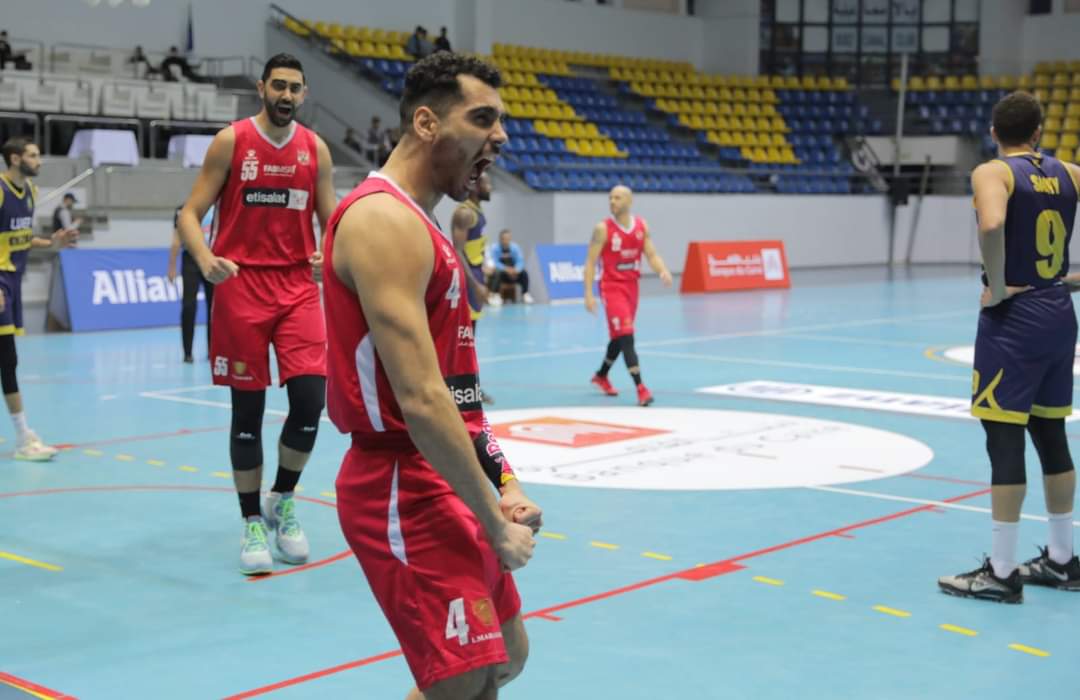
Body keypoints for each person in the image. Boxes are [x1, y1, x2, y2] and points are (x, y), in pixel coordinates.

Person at [323, 52, 542, 699]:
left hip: (446, 472)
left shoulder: (426, 225)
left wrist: (505, 482)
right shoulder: (382, 221)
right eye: (483, 119)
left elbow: (460, 399)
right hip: (400, 482)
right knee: (466, 678)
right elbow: (421, 399)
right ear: (426, 123)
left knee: (506, 658)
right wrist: (493, 523)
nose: (500, 136)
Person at [176, 54, 337, 576]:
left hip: (297, 289)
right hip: (240, 287)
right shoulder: (232, 141)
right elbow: (189, 213)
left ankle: (282, 498)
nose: (286, 95)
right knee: (246, 413)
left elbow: (332, 221)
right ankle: (250, 521)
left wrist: (330, 252)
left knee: (310, 403)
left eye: (295, 87)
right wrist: (205, 259)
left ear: (304, 94)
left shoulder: (316, 149)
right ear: (262, 87)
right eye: (278, 86)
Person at [938, 91, 1080, 603]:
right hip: (1059, 314)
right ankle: (1062, 561)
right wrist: (1068, 279)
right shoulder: (1070, 172)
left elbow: (993, 224)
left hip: (1015, 320)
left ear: (994, 132)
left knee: (1003, 439)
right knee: (1051, 433)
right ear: (1039, 131)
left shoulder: (993, 172)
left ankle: (1001, 572)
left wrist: (997, 288)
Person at [0, 138, 77, 460]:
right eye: (32, 155)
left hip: (13, 282)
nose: (39, 161)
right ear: (15, 159)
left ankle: (23, 435)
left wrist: (52, 242)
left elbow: (21, 237)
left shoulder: (30, 192)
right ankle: (23, 438)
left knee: (7, 360)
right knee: (7, 359)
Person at [583, 185, 671, 407]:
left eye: (618, 198)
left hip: (632, 287)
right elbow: (590, 262)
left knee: (619, 336)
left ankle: (601, 376)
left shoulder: (641, 226)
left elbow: (651, 253)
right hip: (612, 288)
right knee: (627, 335)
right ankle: (641, 388)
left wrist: (662, 270)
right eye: (610, 198)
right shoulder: (603, 229)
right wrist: (588, 294)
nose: (612, 201)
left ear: (629, 201)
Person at [452, 171, 498, 402]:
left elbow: (474, 250)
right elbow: (458, 252)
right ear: (474, 186)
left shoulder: (477, 212)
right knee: (463, 340)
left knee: (469, 339)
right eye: (486, 184)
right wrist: (475, 285)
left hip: (476, 276)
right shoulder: (464, 213)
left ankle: (470, 388)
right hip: (467, 282)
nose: (490, 188)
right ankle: (464, 390)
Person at [167, 203, 215, 363]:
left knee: (213, 308)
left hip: (212, 259)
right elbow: (176, 239)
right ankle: (187, 352)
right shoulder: (183, 210)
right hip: (190, 260)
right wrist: (172, 267)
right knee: (188, 306)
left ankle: (212, 350)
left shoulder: (216, 209)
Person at [486, 229, 531, 303]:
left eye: (508, 238)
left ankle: (525, 294)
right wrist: (506, 269)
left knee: (524, 273)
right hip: (502, 274)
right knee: (497, 273)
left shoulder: (515, 248)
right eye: (504, 239)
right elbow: (495, 262)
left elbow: (520, 261)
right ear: (500, 239)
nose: (506, 241)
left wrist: (516, 270)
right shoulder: (495, 248)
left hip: (514, 273)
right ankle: (496, 295)